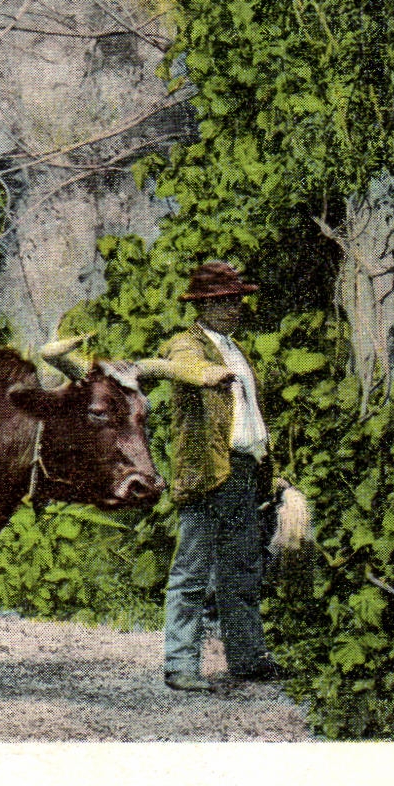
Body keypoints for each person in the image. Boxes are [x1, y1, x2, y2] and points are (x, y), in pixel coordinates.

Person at [156, 260, 288, 691]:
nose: (234, 308)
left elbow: (250, 418)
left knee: (242, 570)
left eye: (236, 300)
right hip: (209, 472)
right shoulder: (187, 345)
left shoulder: (234, 348)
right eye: (223, 302)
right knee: (191, 572)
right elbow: (183, 366)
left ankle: (248, 660)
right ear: (202, 306)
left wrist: (272, 468)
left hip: (245, 470)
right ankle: (180, 666)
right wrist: (207, 374)